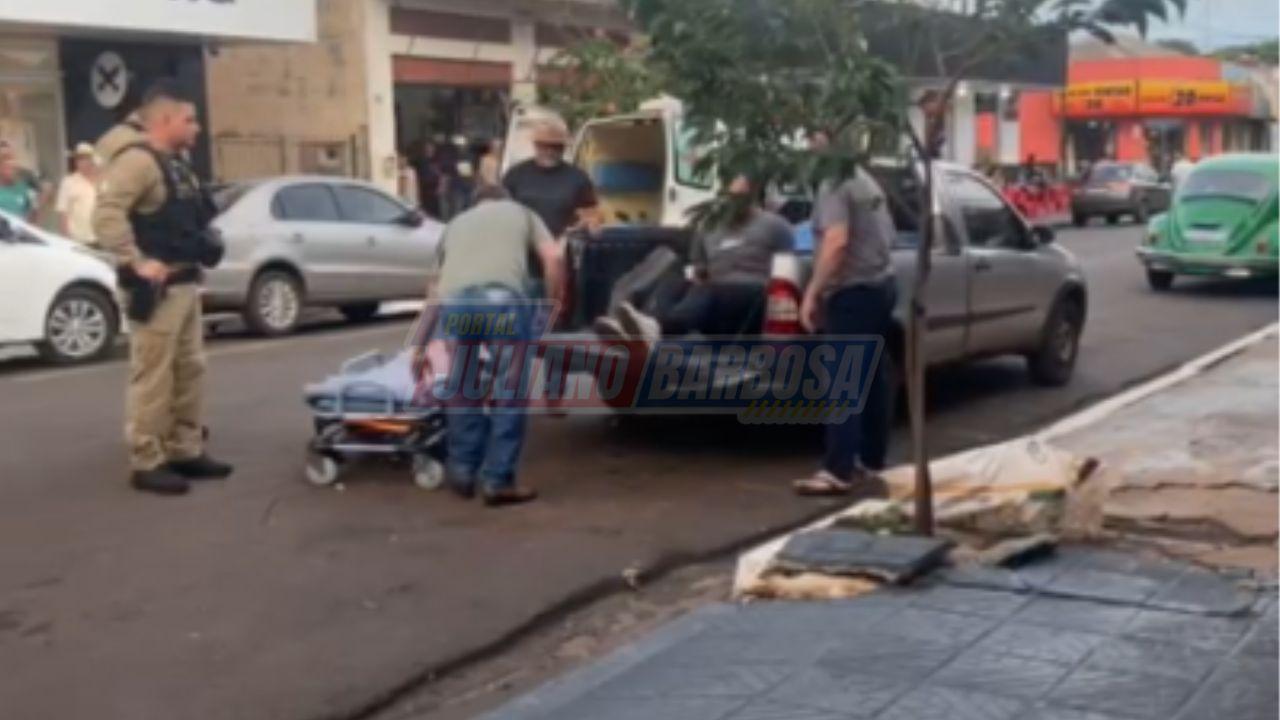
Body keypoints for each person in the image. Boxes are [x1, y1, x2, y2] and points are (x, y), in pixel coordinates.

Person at [93, 80, 233, 496]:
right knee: (153, 376)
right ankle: (147, 459)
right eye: (190, 120)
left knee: (189, 369)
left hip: (184, 282)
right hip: (157, 288)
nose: (197, 127)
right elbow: (106, 215)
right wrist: (135, 260)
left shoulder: (175, 164)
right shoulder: (138, 162)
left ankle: (184, 449)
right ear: (166, 120)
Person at [423, 184, 563, 507]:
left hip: (456, 305)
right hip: (501, 302)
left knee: (463, 387)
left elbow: (433, 284)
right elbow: (553, 257)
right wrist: (551, 304)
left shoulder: (455, 224)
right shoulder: (521, 213)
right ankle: (498, 481)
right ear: (505, 200)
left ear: (476, 204)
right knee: (509, 390)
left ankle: (462, 472)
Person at [792, 148, 897, 498]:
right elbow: (888, 236)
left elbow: (836, 241)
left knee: (843, 381)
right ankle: (870, 459)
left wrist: (813, 291)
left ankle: (838, 469)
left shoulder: (834, 182)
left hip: (852, 292)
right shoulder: (864, 179)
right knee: (872, 379)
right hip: (880, 285)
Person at [594, 175, 794, 342]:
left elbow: (788, 269)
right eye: (730, 197)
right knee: (674, 281)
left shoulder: (775, 226)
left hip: (753, 297)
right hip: (716, 300)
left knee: (708, 289)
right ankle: (641, 324)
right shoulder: (709, 227)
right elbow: (699, 271)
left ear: (753, 197)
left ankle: (658, 329)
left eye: (741, 197)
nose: (734, 203)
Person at [502, 119, 600, 238]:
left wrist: (590, 222)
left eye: (556, 147)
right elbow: (501, 209)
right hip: (522, 242)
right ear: (536, 145)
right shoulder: (516, 174)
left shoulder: (578, 177)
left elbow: (590, 211)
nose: (550, 151)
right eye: (545, 146)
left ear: (563, 148)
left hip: (561, 244)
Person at [55, 143, 100, 246]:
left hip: (101, 238)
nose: (84, 162)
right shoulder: (68, 182)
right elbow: (63, 213)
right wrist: (66, 241)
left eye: (87, 158)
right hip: (79, 241)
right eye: (80, 159)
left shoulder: (103, 180)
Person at [0, 142, 38, 221]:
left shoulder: (22, 186)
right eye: (4, 158)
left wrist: (37, 205)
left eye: (12, 158)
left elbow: (31, 218)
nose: (10, 163)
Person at [413, 140, 441, 218]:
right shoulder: (419, 161)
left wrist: (440, 186)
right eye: (427, 149)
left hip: (434, 192)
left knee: (435, 212)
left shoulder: (435, 161)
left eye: (431, 148)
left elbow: (440, 175)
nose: (430, 150)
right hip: (424, 191)